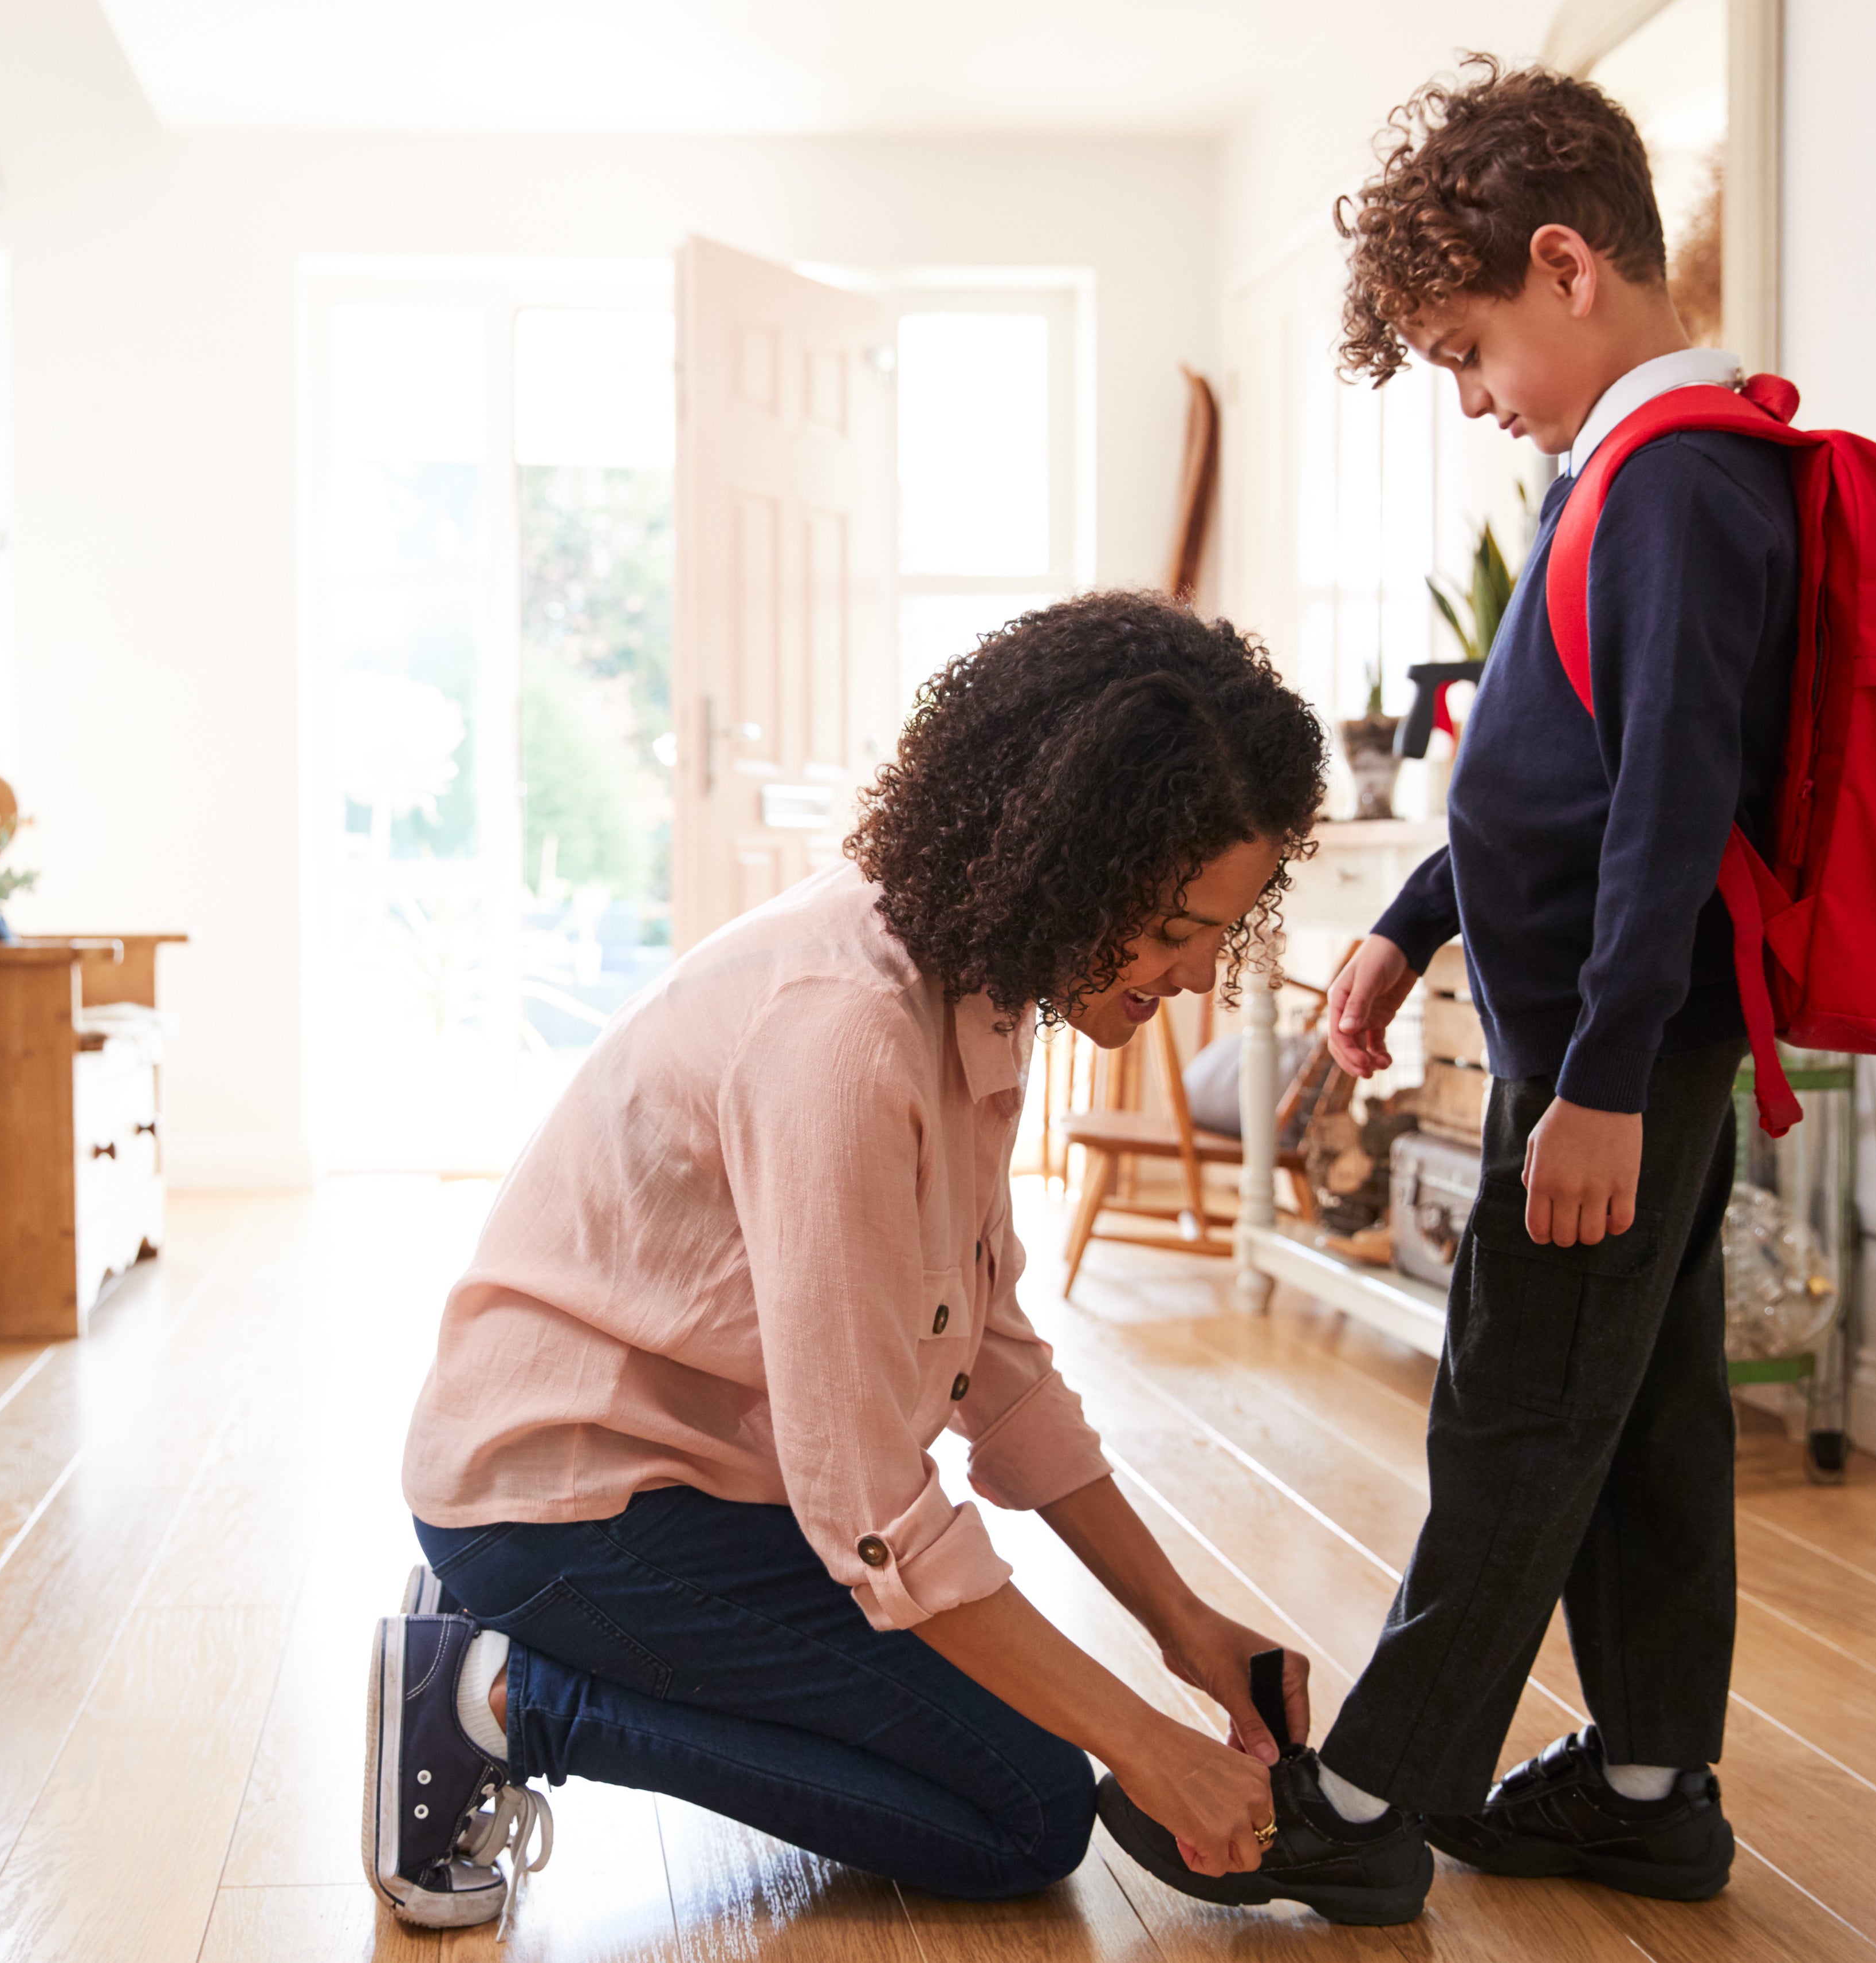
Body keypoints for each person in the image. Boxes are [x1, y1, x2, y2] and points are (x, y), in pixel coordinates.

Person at [361, 591, 1434, 1934]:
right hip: (562, 1505)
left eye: (1217, 932)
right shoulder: (846, 1040)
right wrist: (1147, 1749)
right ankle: (497, 1697)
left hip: (703, 1471)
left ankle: (526, 1678)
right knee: (1025, 1811)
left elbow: (990, 1351)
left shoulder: (978, 976)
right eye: (1170, 928)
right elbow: (872, 1509)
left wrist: (1180, 1624)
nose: (1195, 976)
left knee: (1014, 1761)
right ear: (1067, 858)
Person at [1102, 59, 1792, 1916]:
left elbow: (1664, 798)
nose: (1478, 400)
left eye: (1472, 350)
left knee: (1511, 1405)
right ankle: (1646, 1776)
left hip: (1603, 1054)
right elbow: (1543, 762)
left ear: (1566, 265)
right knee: (1630, 1403)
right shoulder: (1626, 478)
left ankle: (1361, 1795)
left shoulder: (1680, 484)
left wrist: (1599, 1079)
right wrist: (1409, 922)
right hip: (1607, 1037)